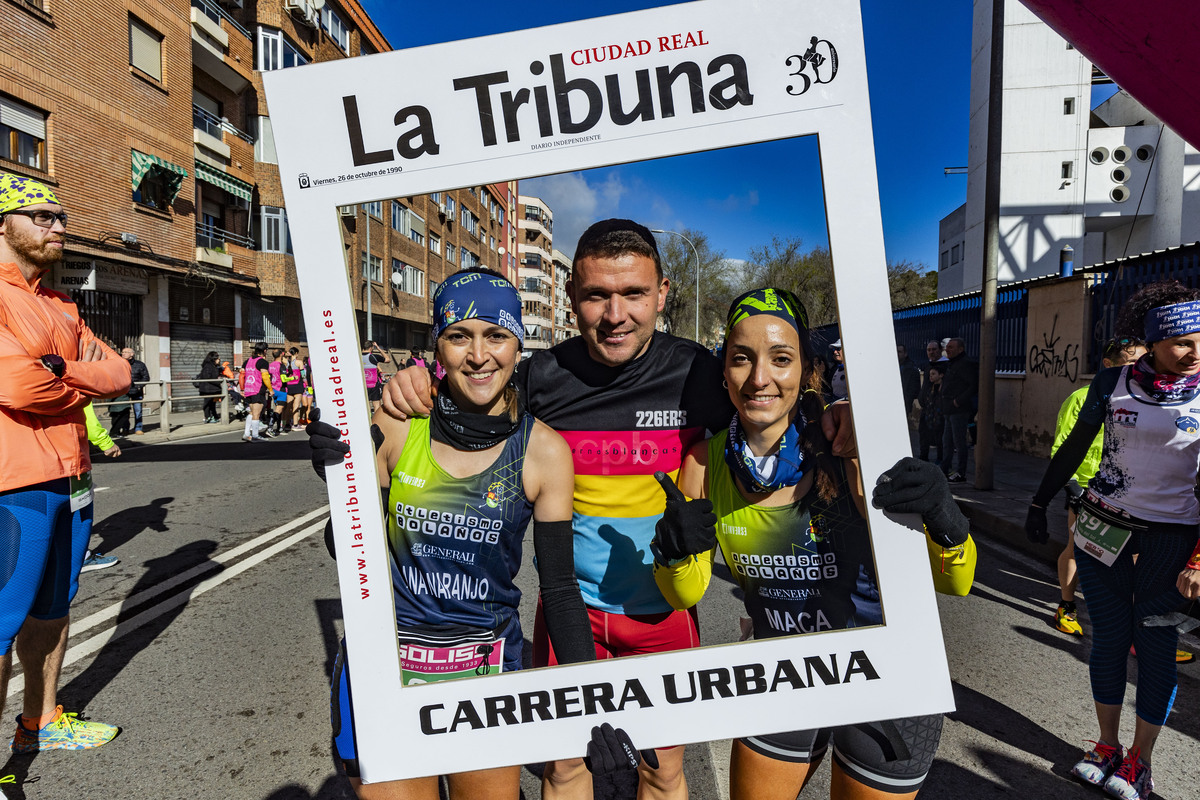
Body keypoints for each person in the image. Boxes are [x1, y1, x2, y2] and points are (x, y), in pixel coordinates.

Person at [381, 220, 740, 800]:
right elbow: (465, 389)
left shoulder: (699, 373)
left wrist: (834, 412)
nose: (615, 314)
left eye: (634, 294)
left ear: (663, 294)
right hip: (570, 607)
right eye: (597, 295)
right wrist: (410, 381)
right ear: (572, 297)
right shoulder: (543, 375)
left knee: (662, 771)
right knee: (565, 769)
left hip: (661, 614)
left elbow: (772, 407)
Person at [651, 288, 976, 800]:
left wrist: (945, 519)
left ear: (807, 370)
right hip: (781, 672)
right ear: (724, 372)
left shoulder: (849, 443)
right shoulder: (701, 461)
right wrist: (671, 551)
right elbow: (684, 594)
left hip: (885, 677)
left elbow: (955, 581)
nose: (760, 379)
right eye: (742, 359)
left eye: (781, 359)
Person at [310, 268, 603, 799]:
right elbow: (344, 551)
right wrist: (340, 479)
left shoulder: (544, 453)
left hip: (484, 674)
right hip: (388, 664)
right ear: (437, 347)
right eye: (458, 336)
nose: (478, 354)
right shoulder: (398, 423)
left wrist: (592, 698)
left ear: (518, 345)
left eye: (496, 335)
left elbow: (560, 589)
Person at [1025, 280, 1200, 800]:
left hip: (1172, 540)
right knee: (1105, 640)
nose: (1195, 351)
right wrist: (1038, 501)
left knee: (1156, 646)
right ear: (1151, 341)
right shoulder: (1112, 383)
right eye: (1183, 341)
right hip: (1103, 530)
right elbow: (1077, 445)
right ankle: (1106, 745)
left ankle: (1140, 761)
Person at [0, 174, 128, 771]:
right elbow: (19, 384)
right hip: (14, 482)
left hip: (73, 476)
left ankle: (40, 723)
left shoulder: (61, 302)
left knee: (55, 607)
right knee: (1, 621)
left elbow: (123, 373)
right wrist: (74, 379)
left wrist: (61, 372)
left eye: (61, 217)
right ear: (3, 225)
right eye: (42, 216)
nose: (58, 227)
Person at [1049, 337, 1147, 638]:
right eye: (1131, 363)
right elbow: (1061, 449)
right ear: (1108, 364)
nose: (1140, 368)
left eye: (1144, 362)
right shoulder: (1081, 398)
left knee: (1136, 558)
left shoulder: (1147, 399)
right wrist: (1072, 486)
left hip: (1132, 493)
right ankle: (1067, 607)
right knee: (1078, 549)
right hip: (1087, 490)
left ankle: (1135, 628)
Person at [79, 402, 120, 572]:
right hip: (66, 457)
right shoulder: (68, 378)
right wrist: (105, 442)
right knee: (79, 508)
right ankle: (81, 558)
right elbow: (84, 412)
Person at [939, 337, 976, 483]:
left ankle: (961, 472)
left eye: (951, 347)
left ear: (960, 349)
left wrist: (958, 401)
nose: (948, 350)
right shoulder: (952, 364)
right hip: (948, 409)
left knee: (959, 442)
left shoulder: (965, 364)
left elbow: (972, 385)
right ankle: (944, 469)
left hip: (958, 410)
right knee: (947, 441)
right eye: (947, 347)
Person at [241, 344, 270, 442]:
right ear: (265, 351)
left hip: (249, 389)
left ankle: (246, 434)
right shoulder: (262, 362)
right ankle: (255, 436)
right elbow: (265, 377)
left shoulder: (247, 361)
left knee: (251, 412)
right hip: (258, 390)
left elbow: (241, 375)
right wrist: (270, 389)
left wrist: (242, 389)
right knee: (257, 414)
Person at [918, 363, 946, 463]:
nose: (931, 376)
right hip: (930, 416)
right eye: (930, 374)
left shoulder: (942, 388)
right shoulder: (931, 387)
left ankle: (940, 458)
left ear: (941, 375)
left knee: (940, 439)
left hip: (939, 417)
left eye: (933, 374)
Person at [120, 346, 149, 434]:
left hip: (136, 391)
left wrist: (139, 386)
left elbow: (146, 377)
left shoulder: (140, 364)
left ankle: (138, 428)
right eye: (122, 352)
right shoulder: (120, 364)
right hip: (124, 391)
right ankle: (125, 429)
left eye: (125, 352)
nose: (123, 353)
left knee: (138, 410)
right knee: (124, 411)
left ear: (132, 354)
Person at [362, 341, 391, 413]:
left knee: (366, 404)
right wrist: (379, 348)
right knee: (376, 404)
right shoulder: (373, 357)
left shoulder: (358, 356)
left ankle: (367, 421)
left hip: (363, 384)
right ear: (371, 348)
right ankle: (376, 421)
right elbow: (387, 359)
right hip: (374, 384)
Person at [195, 350, 223, 424]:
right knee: (207, 403)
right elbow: (208, 378)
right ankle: (207, 417)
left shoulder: (214, 366)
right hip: (207, 389)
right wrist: (219, 382)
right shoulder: (208, 366)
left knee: (212, 403)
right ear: (214, 359)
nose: (219, 360)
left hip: (212, 388)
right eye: (218, 359)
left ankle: (214, 416)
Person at [897, 343, 920, 419]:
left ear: (905, 353)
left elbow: (914, 389)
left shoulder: (911, 369)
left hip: (905, 403)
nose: (897, 354)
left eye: (899, 352)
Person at [288, 346, 309, 427]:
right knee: (296, 406)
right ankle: (295, 424)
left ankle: (286, 423)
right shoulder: (299, 362)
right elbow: (303, 375)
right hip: (297, 385)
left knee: (288, 406)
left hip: (289, 385)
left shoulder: (286, 362)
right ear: (296, 353)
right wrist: (306, 384)